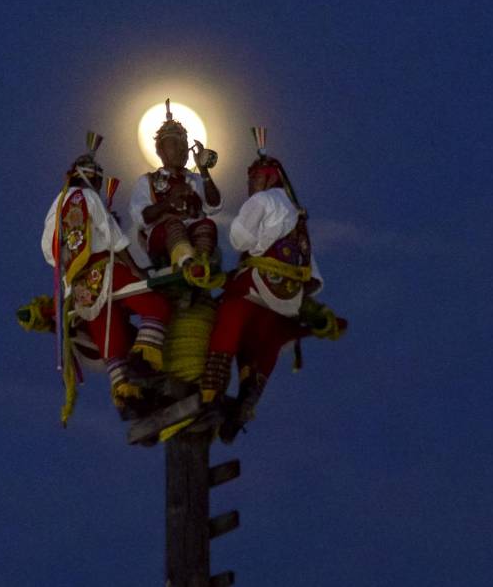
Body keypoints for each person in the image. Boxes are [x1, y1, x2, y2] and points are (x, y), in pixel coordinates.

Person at [198, 127, 344, 442]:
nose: (251, 186)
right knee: (263, 340)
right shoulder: (299, 218)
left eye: (253, 179)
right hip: (288, 297)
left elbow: (239, 238)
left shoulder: (263, 200)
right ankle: (247, 398)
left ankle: (211, 394)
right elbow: (312, 277)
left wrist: (248, 250)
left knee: (226, 317)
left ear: (265, 179)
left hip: (257, 283)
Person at [42, 132, 171, 418]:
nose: (99, 187)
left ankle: (126, 394)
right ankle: (143, 358)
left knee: (111, 339)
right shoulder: (89, 197)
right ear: (92, 180)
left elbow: (49, 251)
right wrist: (137, 271)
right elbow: (114, 239)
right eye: (98, 182)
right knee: (157, 306)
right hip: (106, 270)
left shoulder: (56, 205)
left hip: (79, 289)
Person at [128, 100, 222, 287]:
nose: (181, 150)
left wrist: (204, 171)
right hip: (163, 241)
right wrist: (168, 202)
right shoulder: (147, 181)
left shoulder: (194, 179)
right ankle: (185, 265)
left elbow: (214, 205)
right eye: (175, 144)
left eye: (184, 144)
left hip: (194, 236)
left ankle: (201, 264)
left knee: (206, 224)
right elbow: (141, 218)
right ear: (160, 150)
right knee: (174, 224)